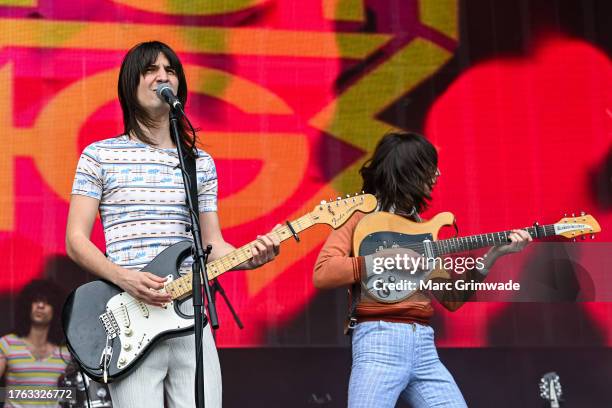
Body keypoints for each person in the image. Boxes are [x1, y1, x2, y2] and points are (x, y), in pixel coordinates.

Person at [65, 41, 280, 408]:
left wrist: (250, 257)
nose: (162, 76)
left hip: (189, 315)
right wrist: (125, 277)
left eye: (170, 70)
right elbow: (75, 241)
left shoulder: (199, 163)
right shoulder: (99, 156)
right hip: (131, 318)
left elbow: (213, 246)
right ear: (130, 85)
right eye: (150, 70)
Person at [313, 131, 531, 408]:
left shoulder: (422, 229)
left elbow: (451, 299)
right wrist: (387, 258)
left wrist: (492, 256)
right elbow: (323, 271)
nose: (437, 174)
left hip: (424, 347)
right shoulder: (360, 217)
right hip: (379, 341)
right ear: (408, 171)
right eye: (429, 167)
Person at [0, 279, 70, 408]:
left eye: (47, 302)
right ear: (27, 306)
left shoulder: (65, 353)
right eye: (36, 301)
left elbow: (73, 395)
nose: (40, 306)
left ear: (56, 309)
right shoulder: (7, 343)